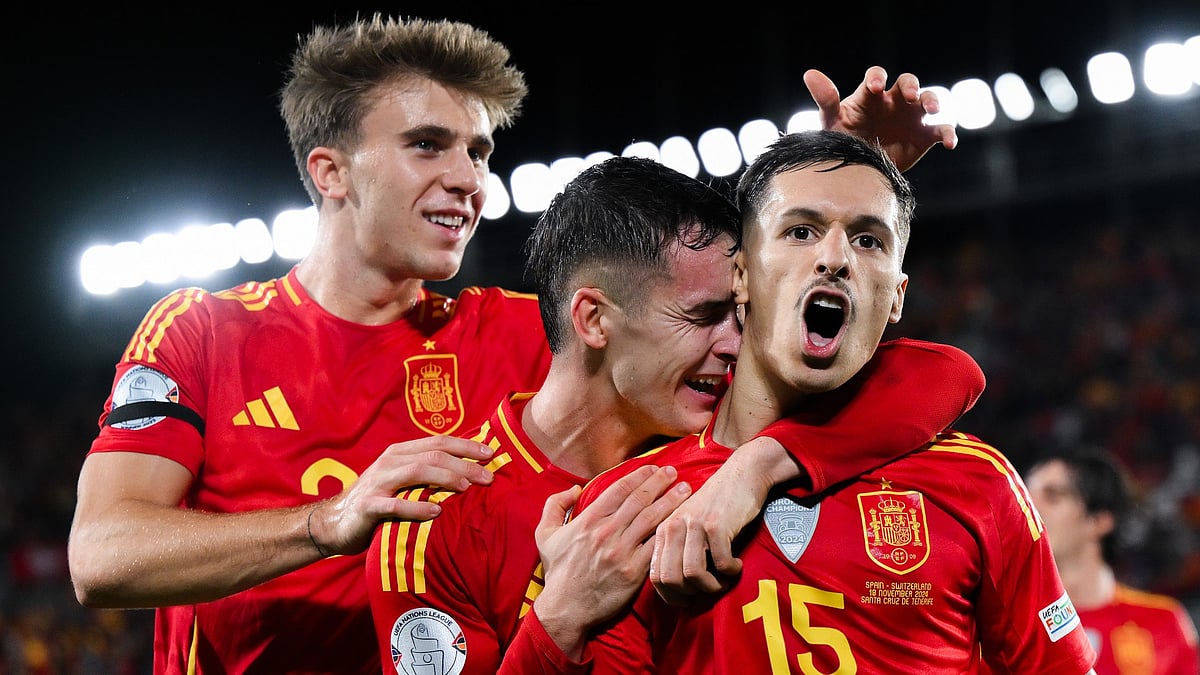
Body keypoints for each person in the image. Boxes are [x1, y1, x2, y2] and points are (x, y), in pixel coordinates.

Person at [66, 11, 959, 674]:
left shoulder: (513, 329)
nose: (468, 180)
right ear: (328, 171)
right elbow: (100, 557)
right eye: (427, 145)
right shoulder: (205, 331)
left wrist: (834, 190)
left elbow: (911, 379)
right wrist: (326, 524)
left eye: (481, 152)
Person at [367, 155, 985, 674]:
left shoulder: (737, 436)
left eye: (739, 313)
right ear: (594, 320)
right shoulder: (437, 521)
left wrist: (758, 466)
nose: (735, 344)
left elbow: (943, 373)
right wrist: (560, 617)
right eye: (702, 317)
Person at [510, 130, 1100, 673]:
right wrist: (557, 621)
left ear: (895, 297)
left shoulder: (979, 483)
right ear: (740, 275)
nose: (835, 258)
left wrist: (761, 461)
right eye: (800, 231)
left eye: (868, 240)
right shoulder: (632, 510)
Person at [1025, 446, 1200, 675]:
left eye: (1053, 496)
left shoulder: (1162, 626)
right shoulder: (1001, 626)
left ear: (1099, 520)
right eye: (1025, 496)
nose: (1028, 508)